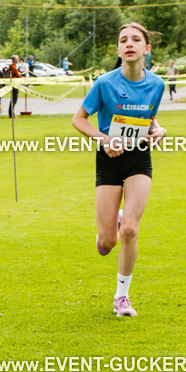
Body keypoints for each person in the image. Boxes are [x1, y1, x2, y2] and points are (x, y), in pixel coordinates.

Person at [71, 22, 165, 317]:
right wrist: (104, 138)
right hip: (109, 160)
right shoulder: (105, 83)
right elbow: (79, 119)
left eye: (136, 40)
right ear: (118, 50)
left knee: (131, 231)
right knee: (107, 242)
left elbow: (151, 119)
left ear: (146, 49)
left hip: (139, 159)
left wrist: (158, 130)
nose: (129, 44)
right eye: (124, 40)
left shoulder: (157, 84)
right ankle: (112, 225)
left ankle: (122, 298)